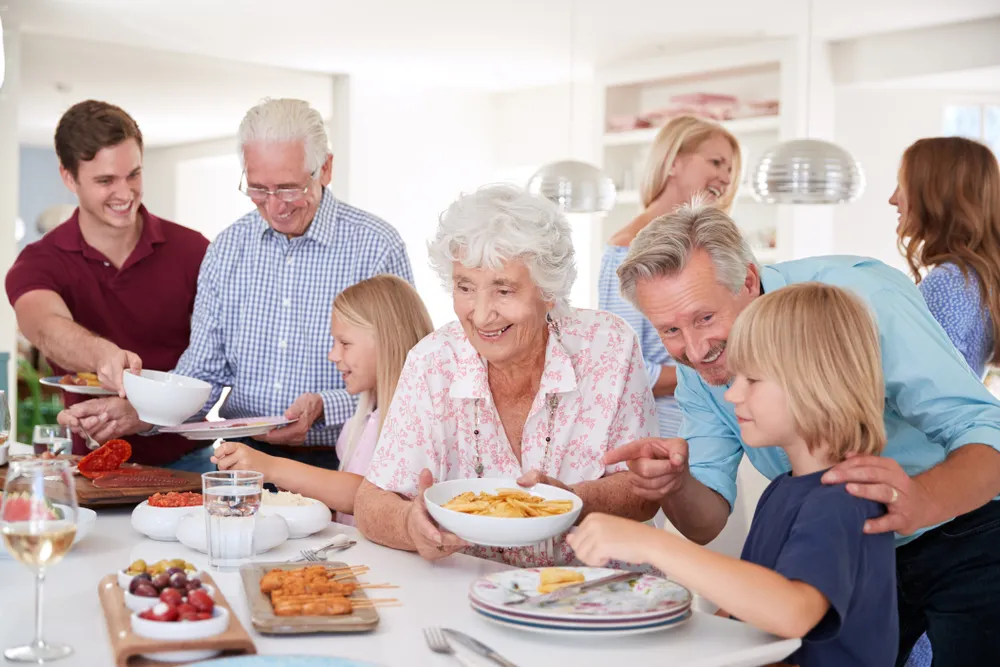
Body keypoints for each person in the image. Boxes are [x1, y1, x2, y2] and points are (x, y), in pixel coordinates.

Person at [609, 202, 1000, 666]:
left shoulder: (863, 300)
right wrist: (674, 484)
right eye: (670, 330)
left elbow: (986, 429)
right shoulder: (786, 490)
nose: (693, 350)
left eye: (705, 319)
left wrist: (924, 498)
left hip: (965, 525)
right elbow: (709, 519)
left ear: (748, 281)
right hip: (863, 552)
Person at [58, 98, 414, 470]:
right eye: (259, 189)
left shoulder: (377, 247)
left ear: (324, 168)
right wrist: (137, 413)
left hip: (344, 457)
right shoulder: (229, 248)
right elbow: (202, 373)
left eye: (289, 189)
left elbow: (403, 373)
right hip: (241, 455)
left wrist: (325, 407)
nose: (275, 207)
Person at [569, 283, 897, 667]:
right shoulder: (784, 489)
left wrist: (648, 544)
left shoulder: (843, 498)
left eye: (752, 381)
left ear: (816, 383)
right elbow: (749, 612)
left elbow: (794, 612)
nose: (732, 395)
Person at [353, 184, 659, 567]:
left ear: (549, 291)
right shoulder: (432, 362)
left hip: (595, 596)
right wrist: (408, 525)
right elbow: (370, 502)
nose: (481, 315)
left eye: (503, 290)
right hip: (472, 595)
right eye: (465, 287)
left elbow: (646, 492)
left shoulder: (608, 347)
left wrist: (569, 500)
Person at [5, 100, 212, 470]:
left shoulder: (194, 249)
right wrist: (103, 357)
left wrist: (143, 410)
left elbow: (221, 358)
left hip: (191, 459)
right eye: (105, 181)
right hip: (89, 464)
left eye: (133, 174)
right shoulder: (39, 261)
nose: (125, 193)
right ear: (69, 178)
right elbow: (44, 325)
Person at [210, 274, 433, 524]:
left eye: (345, 343)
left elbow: (368, 495)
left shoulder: (415, 420)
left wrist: (270, 467)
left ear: (388, 340)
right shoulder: (361, 421)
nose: (332, 355)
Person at [599, 115, 741, 438]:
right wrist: (714, 368)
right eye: (716, 162)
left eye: (731, 170)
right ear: (673, 163)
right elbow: (622, 369)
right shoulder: (626, 252)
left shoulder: (709, 251)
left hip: (717, 428)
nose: (725, 178)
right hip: (661, 434)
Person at [891, 136, 1000, 379]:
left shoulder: (950, 282)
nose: (893, 199)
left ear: (934, 195)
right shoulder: (974, 277)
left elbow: (928, 391)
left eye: (901, 185)